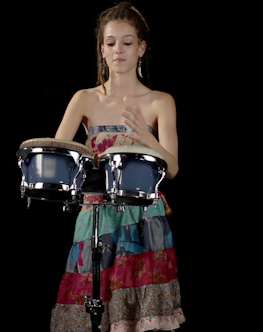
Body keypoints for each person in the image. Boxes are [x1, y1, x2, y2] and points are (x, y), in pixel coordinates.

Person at [51, 2, 185, 331]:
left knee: (141, 318)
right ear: (101, 49)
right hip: (95, 212)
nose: (118, 50)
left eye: (127, 42)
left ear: (141, 48)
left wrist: (147, 139)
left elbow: (173, 169)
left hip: (144, 214)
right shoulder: (84, 98)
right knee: (89, 306)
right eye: (111, 43)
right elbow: (59, 156)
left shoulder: (160, 101)